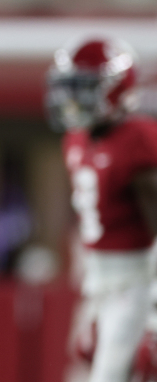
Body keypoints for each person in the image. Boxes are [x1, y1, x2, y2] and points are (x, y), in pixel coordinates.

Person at [46, 38, 157, 382]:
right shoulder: (76, 139)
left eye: (82, 88)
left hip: (133, 280)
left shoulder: (138, 138)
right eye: (68, 88)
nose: (71, 100)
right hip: (97, 279)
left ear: (114, 90)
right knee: (82, 357)